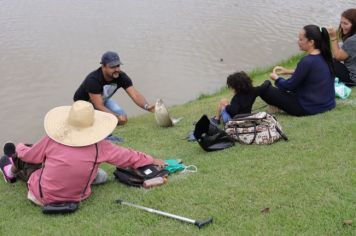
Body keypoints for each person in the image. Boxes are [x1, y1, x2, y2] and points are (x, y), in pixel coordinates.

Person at [0, 100, 165, 206]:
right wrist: (150, 159)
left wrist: (20, 147)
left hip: (43, 196)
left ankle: (10, 172)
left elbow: (29, 156)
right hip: (78, 196)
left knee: (27, 157)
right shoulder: (101, 146)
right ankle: (14, 169)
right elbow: (128, 157)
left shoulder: (52, 140)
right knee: (99, 175)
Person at [259, 25, 336, 116]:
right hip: (328, 104)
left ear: (311, 42)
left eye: (301, 39)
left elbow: (288, 86)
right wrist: (287, 71)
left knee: (265, 89)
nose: (298, 41)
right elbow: (312, 72)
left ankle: (276, 105)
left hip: (307, 108)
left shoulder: (307, 61)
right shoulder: (326, 56)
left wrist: (276, 78)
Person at [73, 51, 155, 125]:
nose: (116, 69)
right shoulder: (93, 80)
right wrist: (115, 117)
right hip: (84, 105)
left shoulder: (121, 77)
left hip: (103, 100)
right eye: (112, 67)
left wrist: (147, 106)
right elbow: (98, 105)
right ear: (103, 66)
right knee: (101, 123)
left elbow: (135, 95)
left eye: (118, 66)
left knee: (123, 118)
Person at [328, 8, 356, 86]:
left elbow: (338, 57)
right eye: (341, 23)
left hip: (352, 79)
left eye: (346, 23)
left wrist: (333, 37)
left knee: (330, 61)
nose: (342, 26)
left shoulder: (352, 40)